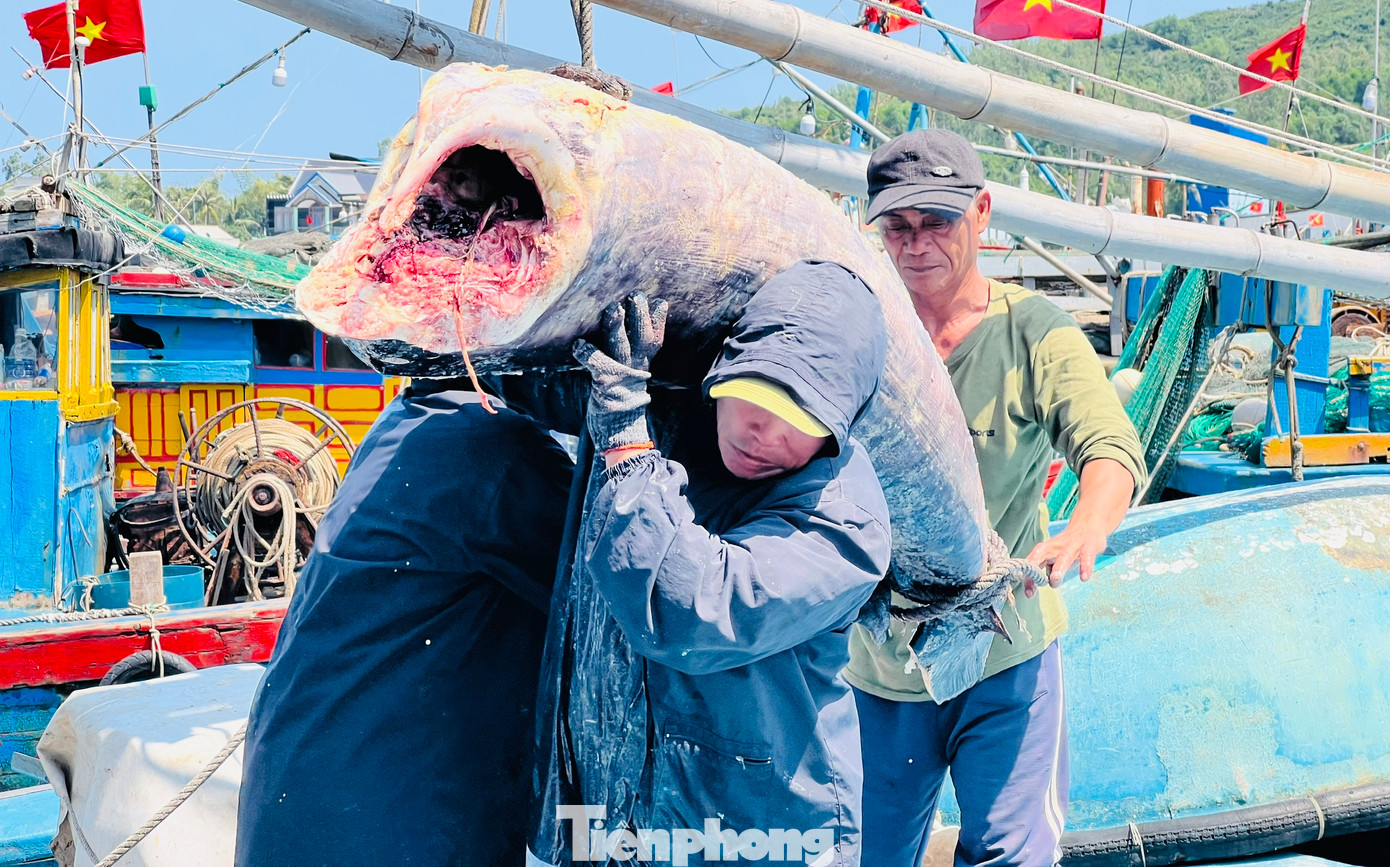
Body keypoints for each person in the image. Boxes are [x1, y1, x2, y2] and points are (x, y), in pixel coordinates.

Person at [845, 130, 1147, 867]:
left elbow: (1109, 446)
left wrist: (1086, 524)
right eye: (898, 227)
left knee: (1010, 856)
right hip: (877, 668)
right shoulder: (855, 330)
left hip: (1005, 657)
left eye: (938, 222)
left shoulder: (1035, 331)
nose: (917, 245)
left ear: (982, 213)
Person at [564, 260, 892, 865]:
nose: (763, 431)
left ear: (838, 431)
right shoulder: (664, 413)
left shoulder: (845, 526)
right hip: (613, 815)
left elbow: (686, 609)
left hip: (762, 833)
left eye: (802, 419)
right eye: (754, 396)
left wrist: (628, 442)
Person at [236, 385, 573, 867]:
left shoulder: (411, 417)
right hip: (386, 815)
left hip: (307, 782)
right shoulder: (492, 446)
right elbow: (626, 585)